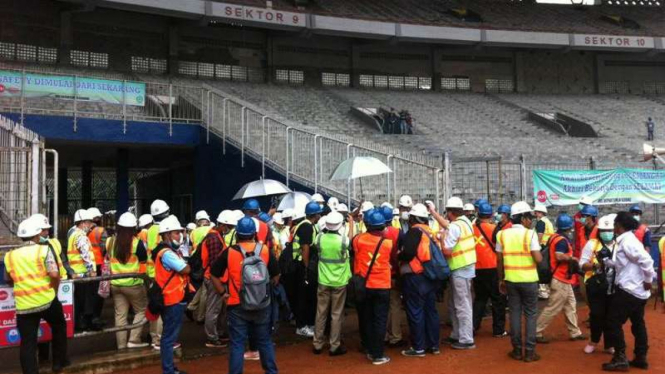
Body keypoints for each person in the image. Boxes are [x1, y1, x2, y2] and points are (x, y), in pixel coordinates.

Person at [210, 217, 279, 374]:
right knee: (265, 341)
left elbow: (214, 274)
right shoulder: (264, 250)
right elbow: (276, 275)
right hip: (262, 303)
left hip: (236, 304)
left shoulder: (229, 252)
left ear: (237, 234)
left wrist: (223, 293)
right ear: (254, 233)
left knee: (237, 344)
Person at [5, 216, 69, 374]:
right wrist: (53, 290)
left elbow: (9, 279)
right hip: (47, 300)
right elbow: (54, 274)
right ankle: (58, 364)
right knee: (59, 326)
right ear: (36, 235)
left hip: (24, 306)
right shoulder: (44, 250)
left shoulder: (9, 256)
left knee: (27, 342)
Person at [601, 212, 655, 371]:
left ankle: (620, 358)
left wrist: (648, 281)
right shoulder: (626, 240)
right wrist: (605, 261)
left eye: (614, 225)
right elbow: (620, 264)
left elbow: (647, 261)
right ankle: (640, 357)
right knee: (638, 323)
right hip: (635, 291)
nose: (612, 228)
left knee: (612, 321)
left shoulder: (628, 242)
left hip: (630, 290)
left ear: (619, 225)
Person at [496, 201, 542, 362]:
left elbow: (499, 260)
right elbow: (538, 258)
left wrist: (501, 279)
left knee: (514, 313)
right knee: (530, 315)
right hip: (529, 280)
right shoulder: (530, 234)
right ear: (522, 218)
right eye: (529, 217)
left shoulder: (501, 234)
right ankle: (529, 352)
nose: (530, 221)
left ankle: (516, 350)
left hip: (511, 280)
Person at [535, 214, 586, 343]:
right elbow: (558, 256)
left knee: (570, 305)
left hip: (562, 278)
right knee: (553, 307)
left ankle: (574, 332)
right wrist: (572, 258)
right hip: (560, 278)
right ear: (569, 227)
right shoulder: (562, 241)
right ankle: (536, 331)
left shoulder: (554, 237)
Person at [399, 203, 440, 357]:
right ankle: (434, 345)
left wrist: (399, 255)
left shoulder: (414, 232)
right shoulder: (430, 232)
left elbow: (408, 253)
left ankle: (418, 348)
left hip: (416, 276)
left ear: (414, 218)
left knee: (416, 311)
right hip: (430, 276)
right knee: (431, 311)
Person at [352, 209, 393, 365]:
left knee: (367, 318)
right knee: (380, 320)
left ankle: (369, 349)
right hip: (382, 285)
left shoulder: (358, 240)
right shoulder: (388, 243)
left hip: (365, 285)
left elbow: (354, 247)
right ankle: (378, 354)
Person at [153, 215, 192, 374]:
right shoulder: (167, 253)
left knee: (168, 337)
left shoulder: (166, 251)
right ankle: (169, 370)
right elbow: (185, 269)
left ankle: (170, 369)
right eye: (176, 233)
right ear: (167, 234)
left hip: (172, 299)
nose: (180, 235)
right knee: (169, 338)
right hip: (172, 300)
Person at [438, 197, 476, 350]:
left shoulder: (454, 226)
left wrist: (441, 239)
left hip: (459, 268)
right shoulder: (466, 221)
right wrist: (434, 213)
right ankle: (457, 334)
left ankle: (466, 339)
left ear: (450, 212)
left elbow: (447, 251)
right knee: (457, 302)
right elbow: (448, 225)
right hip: (466, 267)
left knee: (462, 304)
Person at [107, 212, 149, 350]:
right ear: (133, 228)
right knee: (142, 310)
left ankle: (121, 345)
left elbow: (107, 258)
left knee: (120, 315)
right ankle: (134, 340)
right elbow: (143, 265)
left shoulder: (110, 242)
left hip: (115, 283)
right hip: (133, 284)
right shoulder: (137, 244)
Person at [312, 211, 351, 356]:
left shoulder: (319, 238)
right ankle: (334, 345)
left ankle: (317, 343)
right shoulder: (343, 241)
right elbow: (349, 243)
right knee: (336, 314)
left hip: (323, 280)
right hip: (339, 281)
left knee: (320, 312)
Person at [580, 214, 618, 355]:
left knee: (612, 316)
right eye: (603, 230)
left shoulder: (619, 244)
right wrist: (596, 266)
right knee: (596, 315)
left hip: (615, 286)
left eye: (609, 230)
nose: (606, 233)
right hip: (596, 286)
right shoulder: (592, 244)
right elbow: (582, 264)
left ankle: (609, 344)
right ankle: (593, 341)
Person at [472, 203, 506, 337]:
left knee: (480, 298)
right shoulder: (495, 229)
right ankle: (498, 330)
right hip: (492, 267)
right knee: (497, 299)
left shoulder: (472, 228)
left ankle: (473, 326)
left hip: (476, 267)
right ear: (491, 215)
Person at [290, 201, 322, 337]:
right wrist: (307, 268)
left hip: (301, 265)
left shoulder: (306, 225)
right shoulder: (307, 227)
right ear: (316, 215)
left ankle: (307, 323)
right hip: (300, 266)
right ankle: (301, 326)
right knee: (302, 297)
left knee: (307, 296)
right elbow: (305, 248)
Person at [201, 211, 231, 348]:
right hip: (214, 279)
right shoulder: (214, 238)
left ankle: (218, 333)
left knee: (219, 308)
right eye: (229, 226)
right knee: (213, 309)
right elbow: (214, 264)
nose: (229, 229)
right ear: (223, 224)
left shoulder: (216, 235)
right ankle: (211, 337)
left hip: (216, 278)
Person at [67, 209, 97, 332]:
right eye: (89, 223)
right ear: (82, 223)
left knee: (79, 301)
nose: (90, 226)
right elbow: (85, 254)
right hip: (84, 274)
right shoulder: (80, 236)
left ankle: (79, 324)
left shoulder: (72, 233)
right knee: (86, 301)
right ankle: (84, 324)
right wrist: (91, 270)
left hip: (76, 273)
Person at [147, 199, 171, 350]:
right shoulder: (164, 228)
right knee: (163, 306)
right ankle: (160, 339)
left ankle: (154, 337)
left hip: (151, 272)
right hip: (162, 274)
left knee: (154, 305)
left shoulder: (150, 230)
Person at [381, 205, 405, 348]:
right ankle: (395, 336)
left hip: (380, 274)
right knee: (395, 305)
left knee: (382, 306)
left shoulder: (375, 233)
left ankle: (383, 335)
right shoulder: (399, 233)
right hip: (395, 272)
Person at [87, 207, 108, 329]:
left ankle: (88, 318)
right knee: (98, 292)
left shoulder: (81, 230)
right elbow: (103, 248)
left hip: (87, 265)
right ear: (97, 218)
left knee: (89, 293)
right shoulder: (100, 230)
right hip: (99, 263)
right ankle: (96, 318)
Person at [534, 204, 554, 300]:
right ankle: (547, 289)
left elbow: (540, 235)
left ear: (541, 213)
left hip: (542, 247)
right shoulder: (548, 222)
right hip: (548, 246)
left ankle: (543, 291)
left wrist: (536, 247)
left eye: (537, 212)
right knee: (546, 268)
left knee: (541, 269)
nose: (535, 213)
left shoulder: (541, 222)